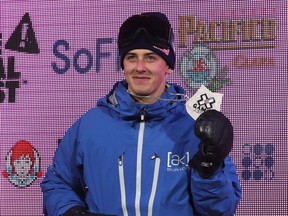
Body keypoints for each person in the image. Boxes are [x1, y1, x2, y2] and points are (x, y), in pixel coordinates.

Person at [41, 12, 242, 216]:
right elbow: (57, 182)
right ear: (123, 64)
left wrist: (209, 168)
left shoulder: (194, 127)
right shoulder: (90, 126)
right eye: (131, 57)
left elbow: (220, 211)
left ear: (169, 66)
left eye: (150, 57)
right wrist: (70, 211)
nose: (139, 67)